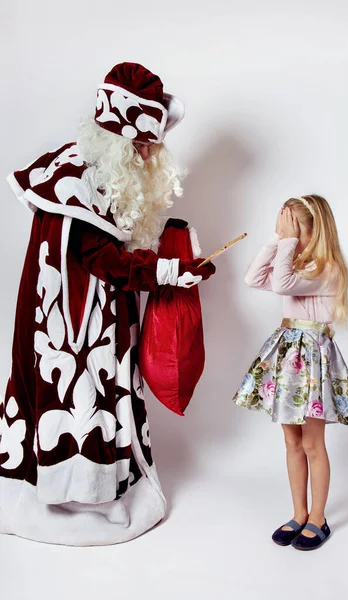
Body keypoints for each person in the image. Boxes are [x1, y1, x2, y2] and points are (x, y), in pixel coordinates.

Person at [0, 62, 215, 546]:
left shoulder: (97, 173)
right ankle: (74, 499)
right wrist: (167, 272)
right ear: (122, 141)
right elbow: (102, 259)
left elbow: (117, 244)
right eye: (142, 146)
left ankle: (97, 493)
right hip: (73, 329)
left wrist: (172, 251)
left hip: (101, 318)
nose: (148, 154)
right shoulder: (75, 179)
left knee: (102, 400)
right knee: (79, 403)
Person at [233, 195, 348, 551]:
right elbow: (252, 278)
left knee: (312, 444)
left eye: (294, 229)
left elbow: (281, 285)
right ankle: (299, 512)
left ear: (313, 231)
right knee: (292, 442)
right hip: (288, 356)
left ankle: (319, 518)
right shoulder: (294, 263)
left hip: (313, 360)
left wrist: (287, 244)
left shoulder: (326, 268)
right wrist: (277, 240)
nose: (289, 236)